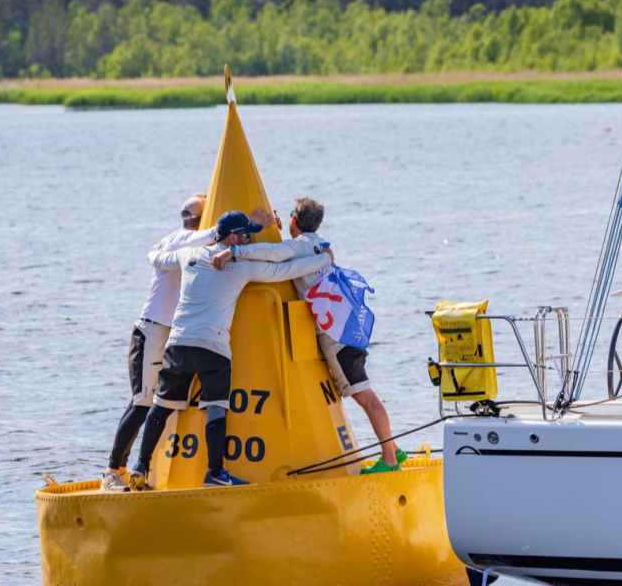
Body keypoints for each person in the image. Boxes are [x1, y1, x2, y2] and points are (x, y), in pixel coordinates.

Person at [129, 210, 332, 488]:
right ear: (234, 237)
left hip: (178, 343)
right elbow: (285, 269)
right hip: (213, 346)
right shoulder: (241, 267)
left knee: (161, 407)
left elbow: (156, 257)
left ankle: (140, 467)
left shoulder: (188, 255)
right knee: (216, 408)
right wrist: (322, 258)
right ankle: (215, 472)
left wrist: (166, 244)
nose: (249, 239)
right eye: (246, 234)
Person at [211, 198, 404, 474]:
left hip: (335, 337)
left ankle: (390, 460)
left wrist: (235, 253)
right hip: (346, 327)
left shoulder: (300, 247)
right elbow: (284, 252)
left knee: (365, 397)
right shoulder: (320, 245)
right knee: (365, 393)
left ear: (293, 220)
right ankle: (393, 449)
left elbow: (274, 254)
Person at [101, 194, 214, 492]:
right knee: (142, 401)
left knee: (162, 402)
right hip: (151, 329)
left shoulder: (183, 243)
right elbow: (212, 237)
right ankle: (113, 470)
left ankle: (143, 469)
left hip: (171, 332)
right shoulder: (183, 239)